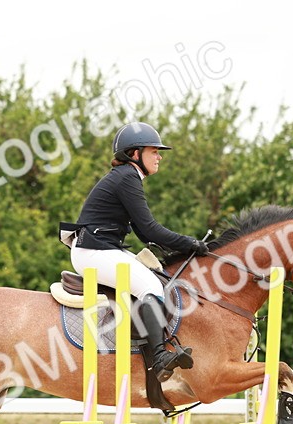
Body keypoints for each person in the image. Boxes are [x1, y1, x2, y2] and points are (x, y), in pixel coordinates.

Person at [65, 122, 208, 381]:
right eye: (154, 151)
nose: (160, 156)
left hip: (98, 249)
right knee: (151, 288)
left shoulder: (126, 177)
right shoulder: (128, 177)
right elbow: (151, 229)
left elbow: (143, 233)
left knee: (155, 275)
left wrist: (181, 248)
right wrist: (190, 243)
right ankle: (160, 357)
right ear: (135, 154)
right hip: (94, 252)